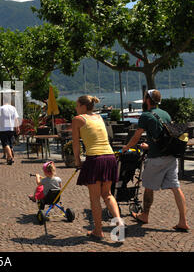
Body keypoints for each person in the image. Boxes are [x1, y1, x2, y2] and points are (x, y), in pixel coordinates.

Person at [122, 89, 189, 232]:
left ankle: (144, 215)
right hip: (171, 156)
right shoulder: (166, 114)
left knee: (148, 186)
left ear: (147, 100)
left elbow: (136, 136)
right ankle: (183, 221)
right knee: (176, 187)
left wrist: (126, 147)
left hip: (156, 158)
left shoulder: (146, 115)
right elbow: (164, 136)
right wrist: (150, 145)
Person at [72, 95, 122, 240]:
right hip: (109, 156)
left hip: (95, 158)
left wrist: (77, 161)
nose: (75, 108)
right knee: (107, 194)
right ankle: (119, 222)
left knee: (94, 198)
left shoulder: (78, 119)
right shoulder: (99, 118)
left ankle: (98, 231)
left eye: (77, 105)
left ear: (83, 106)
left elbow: (76, 143)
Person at [0, 101, 19, 165]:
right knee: (10, 144)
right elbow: (16, 119)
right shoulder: (13, 108)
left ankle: (10, 157)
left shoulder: (1, 108)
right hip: (11, 129)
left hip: (3, 129)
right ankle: (10, 158)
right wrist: (17, 127)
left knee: (5, 144)